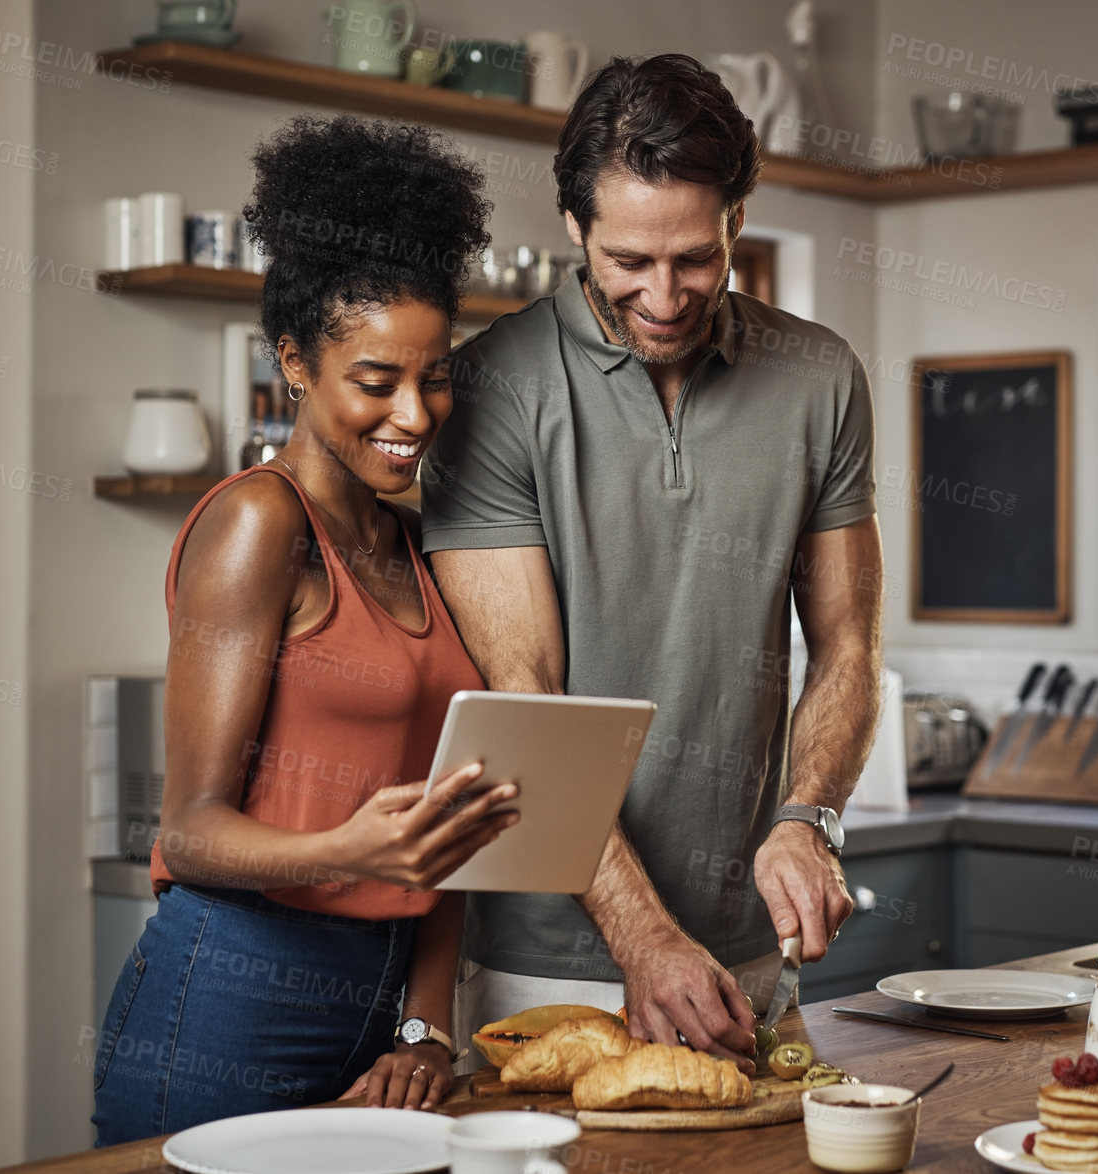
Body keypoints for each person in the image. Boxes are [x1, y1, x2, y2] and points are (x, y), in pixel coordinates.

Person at [423, 53, 885, 1073]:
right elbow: (525, 696)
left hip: (750, 948)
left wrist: (808, 818)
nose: (665, 296)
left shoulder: (819, 378)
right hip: (548, 957)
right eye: (630, 259)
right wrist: (640, 936)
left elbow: (847, 643)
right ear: (575, 228)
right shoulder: (490, 388)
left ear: (737, 218)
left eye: (695, 257)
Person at [92, 115, 511, 1144]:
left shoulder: (422, 545)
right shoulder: (256, 525)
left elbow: (442, 839)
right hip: (228, 999)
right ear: (294, 362)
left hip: (381, 1018)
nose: (412, 413)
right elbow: (188, 830)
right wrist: (348, 847)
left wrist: (426, 1027)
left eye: (435, 375)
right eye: (375, 382)